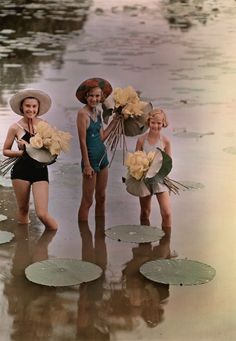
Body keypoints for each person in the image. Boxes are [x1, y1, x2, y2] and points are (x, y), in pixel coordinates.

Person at [2, 89, 58, 230]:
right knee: (23, 211)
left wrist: (48, 148)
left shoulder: (44, 125)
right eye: (28, 106)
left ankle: (53, 232)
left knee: (42, 213)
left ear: (38, 108)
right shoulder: (15, 127)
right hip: (21, 172)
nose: (31, 109)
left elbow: (53, 150)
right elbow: (5, 151)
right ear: (22, 107)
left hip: (40, 171)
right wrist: (22, 152)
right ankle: (23, 248)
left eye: (34, 106)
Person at [76, 77, 118, 221]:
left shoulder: (98, 113)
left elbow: (101, 137)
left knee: (101, 196)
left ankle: (100, 234)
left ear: (101, 98)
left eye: (97, 96)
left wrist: (115, 121)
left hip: (103, 158)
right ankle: (84, 239)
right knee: (88, 201)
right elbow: (82, 141)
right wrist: (87, 165)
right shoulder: (82, 114)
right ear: (86, 96)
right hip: (91, 160)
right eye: (91, 96)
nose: (94, 99)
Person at [135, 108, 172, 229]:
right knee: (145, 213)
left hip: (160, 178)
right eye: (153, 122)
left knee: (167, 213)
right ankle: (145, 242)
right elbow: (135, 161)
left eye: (159, 123)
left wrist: (159, 172)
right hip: (145, 179)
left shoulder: (165, 141)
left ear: (163, 123)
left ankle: (166, 243)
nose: (156, 126)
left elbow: (168, 163)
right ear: (148, 122)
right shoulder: (141, 140)